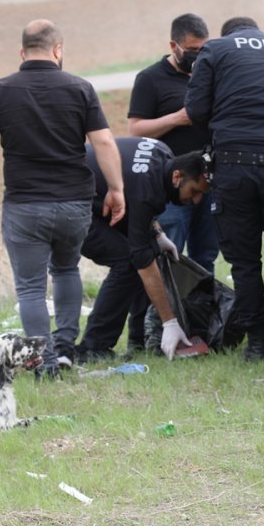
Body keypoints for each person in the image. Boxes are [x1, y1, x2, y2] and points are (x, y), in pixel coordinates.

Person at [0, 19, 125, 382]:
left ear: (22, 53)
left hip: (24, 205)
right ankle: (66, 346)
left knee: (29, 286)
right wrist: (117, 189)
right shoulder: (80, 88)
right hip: (74, 203)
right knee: (67, 269)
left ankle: (45, 363)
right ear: (58, 50)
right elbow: (103, 142)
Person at [184, 16, 264, 363]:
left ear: (229, 34)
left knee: (244, 262)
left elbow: (196, 110)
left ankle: (256, 345)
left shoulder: (216, 49)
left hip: (233, 168)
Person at [72, 136, 210, 363]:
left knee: (144, 251)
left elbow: (139, 199)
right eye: (195, 191)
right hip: (66, 203)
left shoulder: (163, 154)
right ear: (177, 177)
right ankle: (92, 348)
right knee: (128, 261)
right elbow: (142, 260)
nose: (196, 200)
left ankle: (139, 340)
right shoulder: (148, 188)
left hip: (91, 195)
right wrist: (170, 321)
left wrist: (157, 234)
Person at [127, 13, 218, 353]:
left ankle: (196, 324)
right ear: (174, 46)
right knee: (163, 262)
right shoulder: (150, 79)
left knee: (204, 259)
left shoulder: (209, 73)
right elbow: (135, 130)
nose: (198, 55)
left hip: (205, 186)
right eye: (192, 49)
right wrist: (180, 117)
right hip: (170, 189)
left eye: (203, 48)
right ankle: (149, 335)